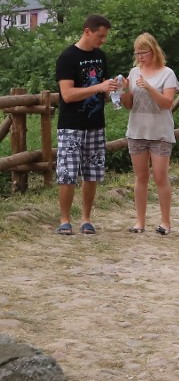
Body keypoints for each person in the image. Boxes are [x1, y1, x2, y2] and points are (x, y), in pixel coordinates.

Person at [55, 14, 119, 235]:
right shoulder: (67, 57)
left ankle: (86, 219)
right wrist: (98, 88)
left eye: (105, 37)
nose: (102, 40)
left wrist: (115, 89)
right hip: (71, 125)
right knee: (68, 174)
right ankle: (64, 219)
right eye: (100, 36)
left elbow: (105, 90)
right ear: (87, 32)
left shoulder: (100, 56)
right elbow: (68, 94)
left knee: (92, 173)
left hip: (95, 124)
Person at [122, 33, 178, 235]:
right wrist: (123, 91)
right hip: (137, 131)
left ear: (153, 51)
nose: (139, 57)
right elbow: (129, 105)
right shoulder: (134, 72)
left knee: (160, 176)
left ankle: (165, 222)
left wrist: (150, 88)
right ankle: (140, 221)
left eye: (142, 52)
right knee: (140, 177)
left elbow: (167, 103)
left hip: (160, 132)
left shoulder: (167, 73)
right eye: (136, 53)